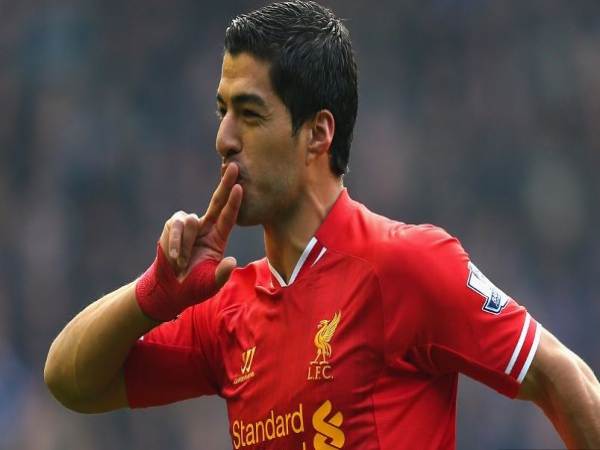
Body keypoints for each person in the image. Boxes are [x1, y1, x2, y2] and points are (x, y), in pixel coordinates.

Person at [44, 1, 600, 449]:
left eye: (250, 114)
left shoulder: (407, 264)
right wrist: (153, 295)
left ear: (317, 134)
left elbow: (562, 377)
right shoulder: (227, 310)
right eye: (222, 111)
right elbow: (71, 383)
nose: (224, 139)